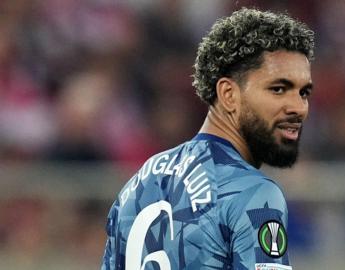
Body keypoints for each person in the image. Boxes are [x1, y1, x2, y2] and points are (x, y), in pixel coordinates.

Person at [101, 7, 314, 270]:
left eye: (303, 92)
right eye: (278, 89)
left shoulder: (139, 184)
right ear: (228, 94)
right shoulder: (253, 193)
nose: (298, 107)